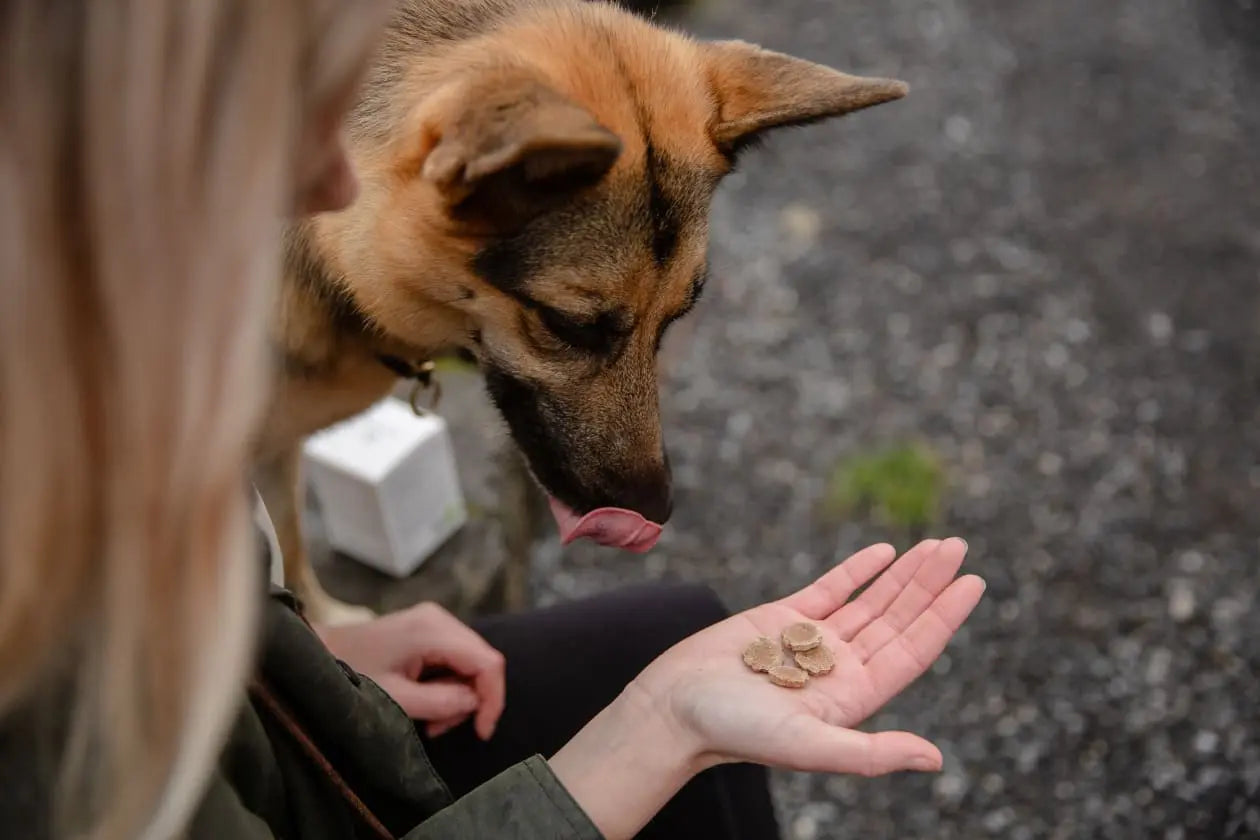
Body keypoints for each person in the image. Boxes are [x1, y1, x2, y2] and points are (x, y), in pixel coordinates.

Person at [0, 1, 987, 839]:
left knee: (684, 627)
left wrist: (295, 643)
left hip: (266, 713)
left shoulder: (90, 345)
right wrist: (652, 736)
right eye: (298, 114)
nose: (340, 179)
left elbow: (220, 516)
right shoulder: (43, 680)